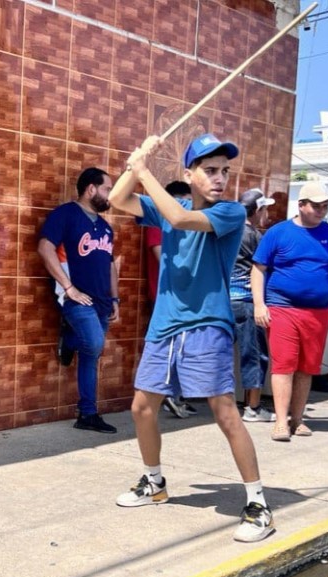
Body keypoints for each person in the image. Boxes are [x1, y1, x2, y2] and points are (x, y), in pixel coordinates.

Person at [109, 133, 274, 543]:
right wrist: (136, 165)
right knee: (142, 407)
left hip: (208, 324)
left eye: (225, 172)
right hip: (165, 325)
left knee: (224, 411)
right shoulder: (171, 205)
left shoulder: (231, 213)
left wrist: (144, 173)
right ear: (189, 174)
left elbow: (182, 222)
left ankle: (258, 504)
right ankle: (154, 482)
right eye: (210, 170)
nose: (220, 179)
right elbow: (116, 200)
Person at [251, 182, 328, 442]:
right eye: (316, 206)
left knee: (306, 368)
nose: (322, 211)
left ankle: (297, 420)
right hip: (282, 308)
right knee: (283, 365)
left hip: (318, 312)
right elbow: (258, 269)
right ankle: (280, 422)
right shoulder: (278, 233)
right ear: (301, 205)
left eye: (325, 206)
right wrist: (259, 304)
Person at [38, 168, 119, 434]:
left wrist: (115, 298)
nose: (111, 194)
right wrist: (68, 287)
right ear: (91, 189)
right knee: (93, 344)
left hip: (102, 302)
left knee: (90, 355)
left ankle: (87, 414)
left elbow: (110, 266)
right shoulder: (66, 214)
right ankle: (70, 339)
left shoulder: (106, 227)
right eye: (107, 188)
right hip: (76, 298)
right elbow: (45, 248)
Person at [149, 181, 198, 419]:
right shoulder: (159, 221)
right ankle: (166, 393)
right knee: (168, 351)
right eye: (185, 201)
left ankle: (175, 396)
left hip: (183, 302)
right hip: (166, 301)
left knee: (182, 351)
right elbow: (167, 262)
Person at [231, 188, 275, 422]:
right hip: (248, 302)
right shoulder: (255, 236)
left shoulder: (229, 232)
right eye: (265, 208)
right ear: (258, 210)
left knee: (218, 354)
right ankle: (253, 408)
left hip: (224, 301)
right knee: (255, 356)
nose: (267, 213)